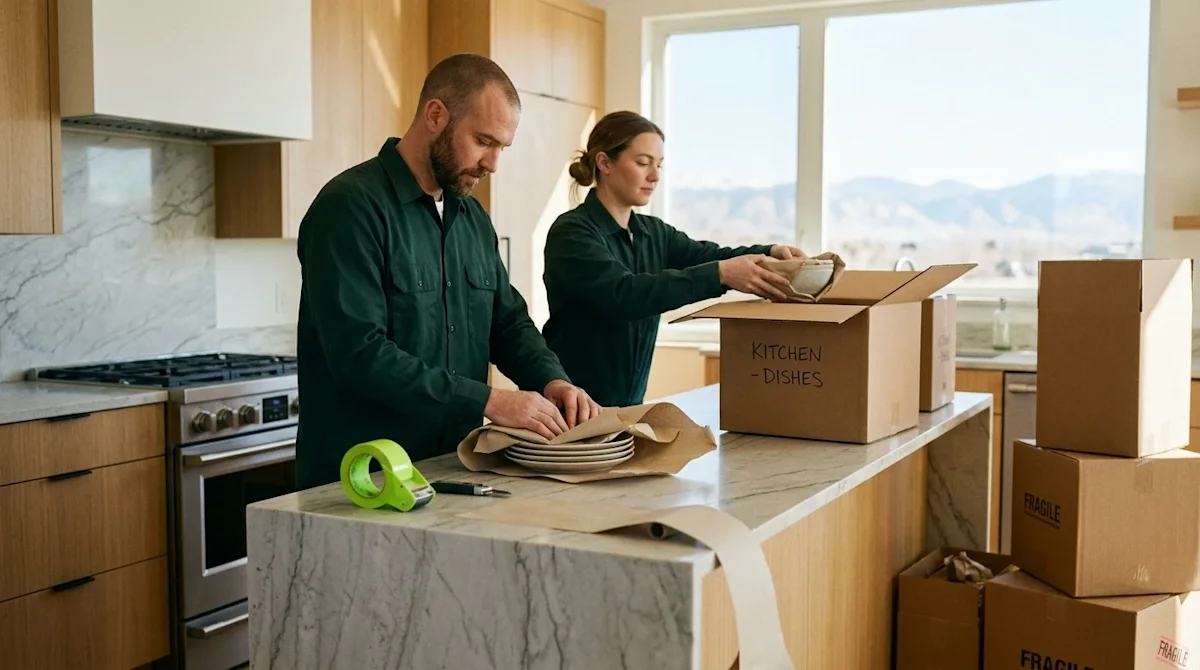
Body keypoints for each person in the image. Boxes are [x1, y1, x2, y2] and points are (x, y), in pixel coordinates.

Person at [294, 54, 599, 490]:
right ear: (436, 115)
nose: (492, 163)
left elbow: (507, 322)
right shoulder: (349, 208)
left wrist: (552, 380)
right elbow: (359, 354)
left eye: (502, 148)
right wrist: (489, 400)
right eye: (483, 141)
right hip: (362, 482)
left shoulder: (472, 218)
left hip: (453, 471)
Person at [541, 111, 804, 408]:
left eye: (659, 165)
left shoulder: (654, 232)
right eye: (643, 163)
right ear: (605, 163)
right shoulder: (572, 233)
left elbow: (709, 256)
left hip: (627, 410)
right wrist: (720, 274)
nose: (655, 176)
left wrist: (770, 252)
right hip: (567, 409)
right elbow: (624, 294)